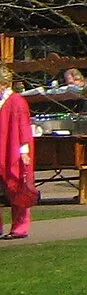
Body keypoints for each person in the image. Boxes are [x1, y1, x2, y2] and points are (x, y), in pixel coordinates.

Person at [0, 70, 33, 239]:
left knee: (17, 187)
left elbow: (23, 129)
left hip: (12, 149)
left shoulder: (17, 102)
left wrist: (24, 152)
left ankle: (20, 227)